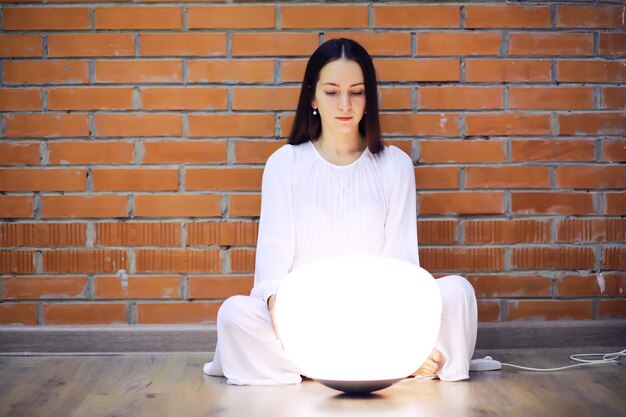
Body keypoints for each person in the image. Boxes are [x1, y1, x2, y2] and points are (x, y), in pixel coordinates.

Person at [203, 38, 477, 385]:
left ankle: (364, 359)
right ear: (313, 97)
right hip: (307, 324)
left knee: (457, 292)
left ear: (369, 97)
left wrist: (398, 331)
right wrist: (284, 317)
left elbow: (402, 268)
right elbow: (271, 276)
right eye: (332, 92)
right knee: (234, 315)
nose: (345, 104)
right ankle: (387, 362)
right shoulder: (283, 164)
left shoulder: (395, 165)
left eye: (356, 91)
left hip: (381, 319)